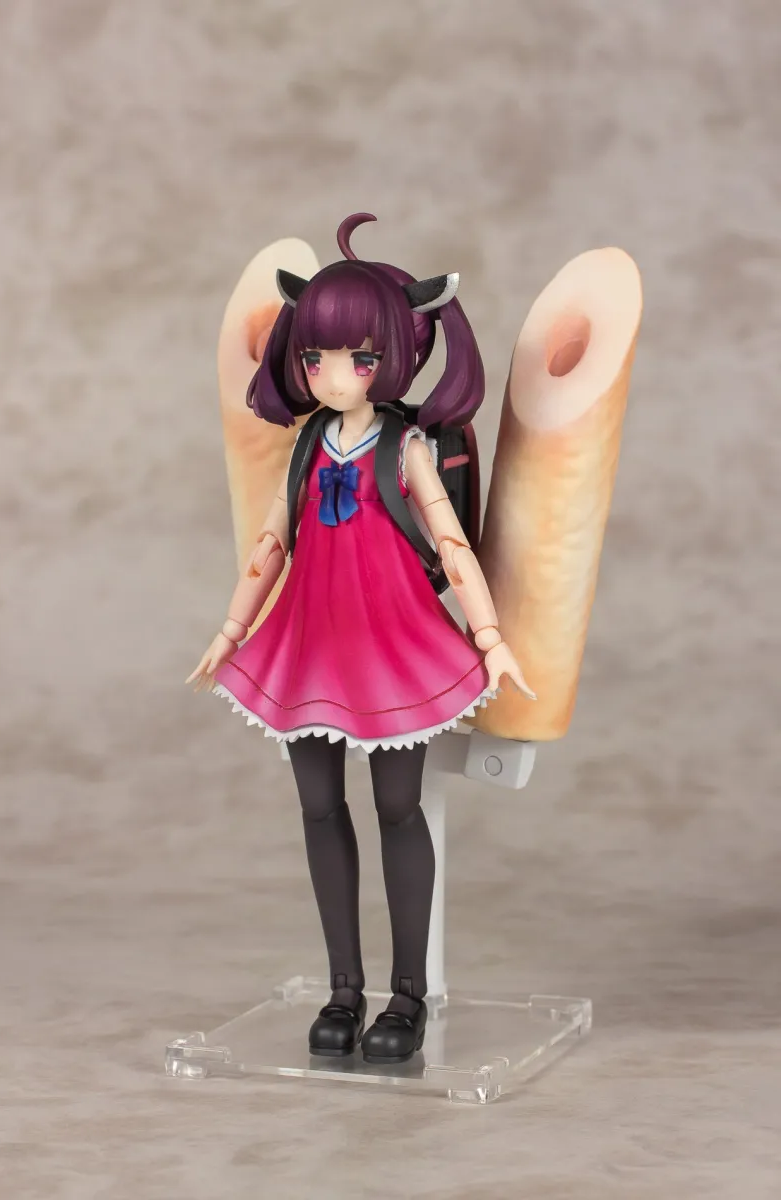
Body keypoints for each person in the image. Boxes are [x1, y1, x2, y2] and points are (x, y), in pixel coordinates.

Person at [187, 213, 534, 1064]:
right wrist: (232, 628)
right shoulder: (309, 441)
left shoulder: (406, 445)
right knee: (317, 806)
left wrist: (489, 637)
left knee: (397, 808)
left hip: (390, 644)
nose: (334, 374)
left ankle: (407, 997)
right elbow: (272, 540)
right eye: (317, 357)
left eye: (359, 358)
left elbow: (451, 544)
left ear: (396, 357)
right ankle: (344, 987)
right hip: (309, 642)